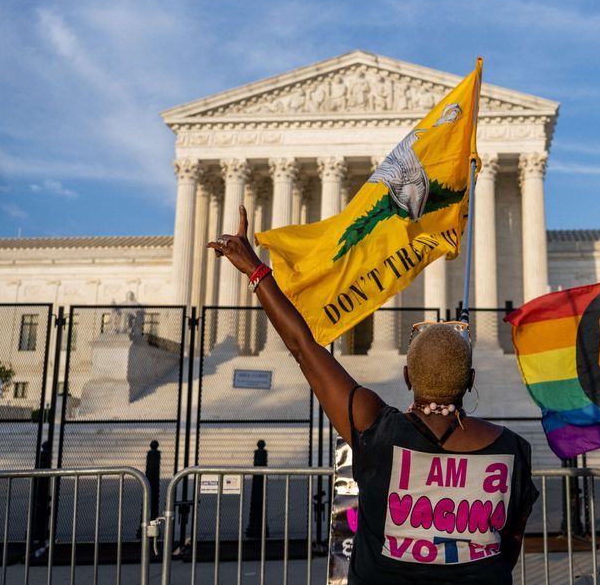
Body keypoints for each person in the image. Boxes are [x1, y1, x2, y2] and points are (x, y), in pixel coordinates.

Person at [210, 206, 538, 584]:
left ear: (407, 376)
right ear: (470, 380)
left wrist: (256, 270)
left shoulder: (374, 429)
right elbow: (508, 547)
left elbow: (303, 347)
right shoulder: (513, 451)